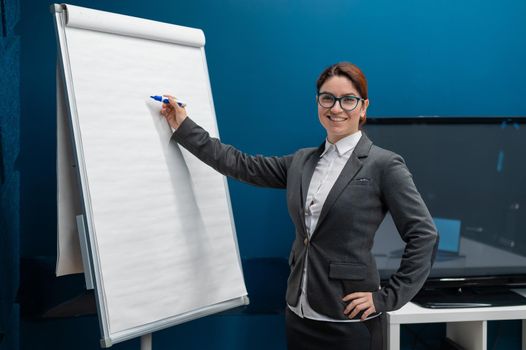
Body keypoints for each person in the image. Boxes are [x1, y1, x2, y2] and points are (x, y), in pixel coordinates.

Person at [160, 62, 439, 350]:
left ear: (363, 106)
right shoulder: (302, 161)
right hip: (299, 315)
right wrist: (184, 127)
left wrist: (386, 298)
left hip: (348, 322)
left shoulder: (384, 165)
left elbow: (424, 235)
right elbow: (239, 164)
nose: (336, 108)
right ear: (318, 103)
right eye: (327, 98)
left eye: (348, 100)